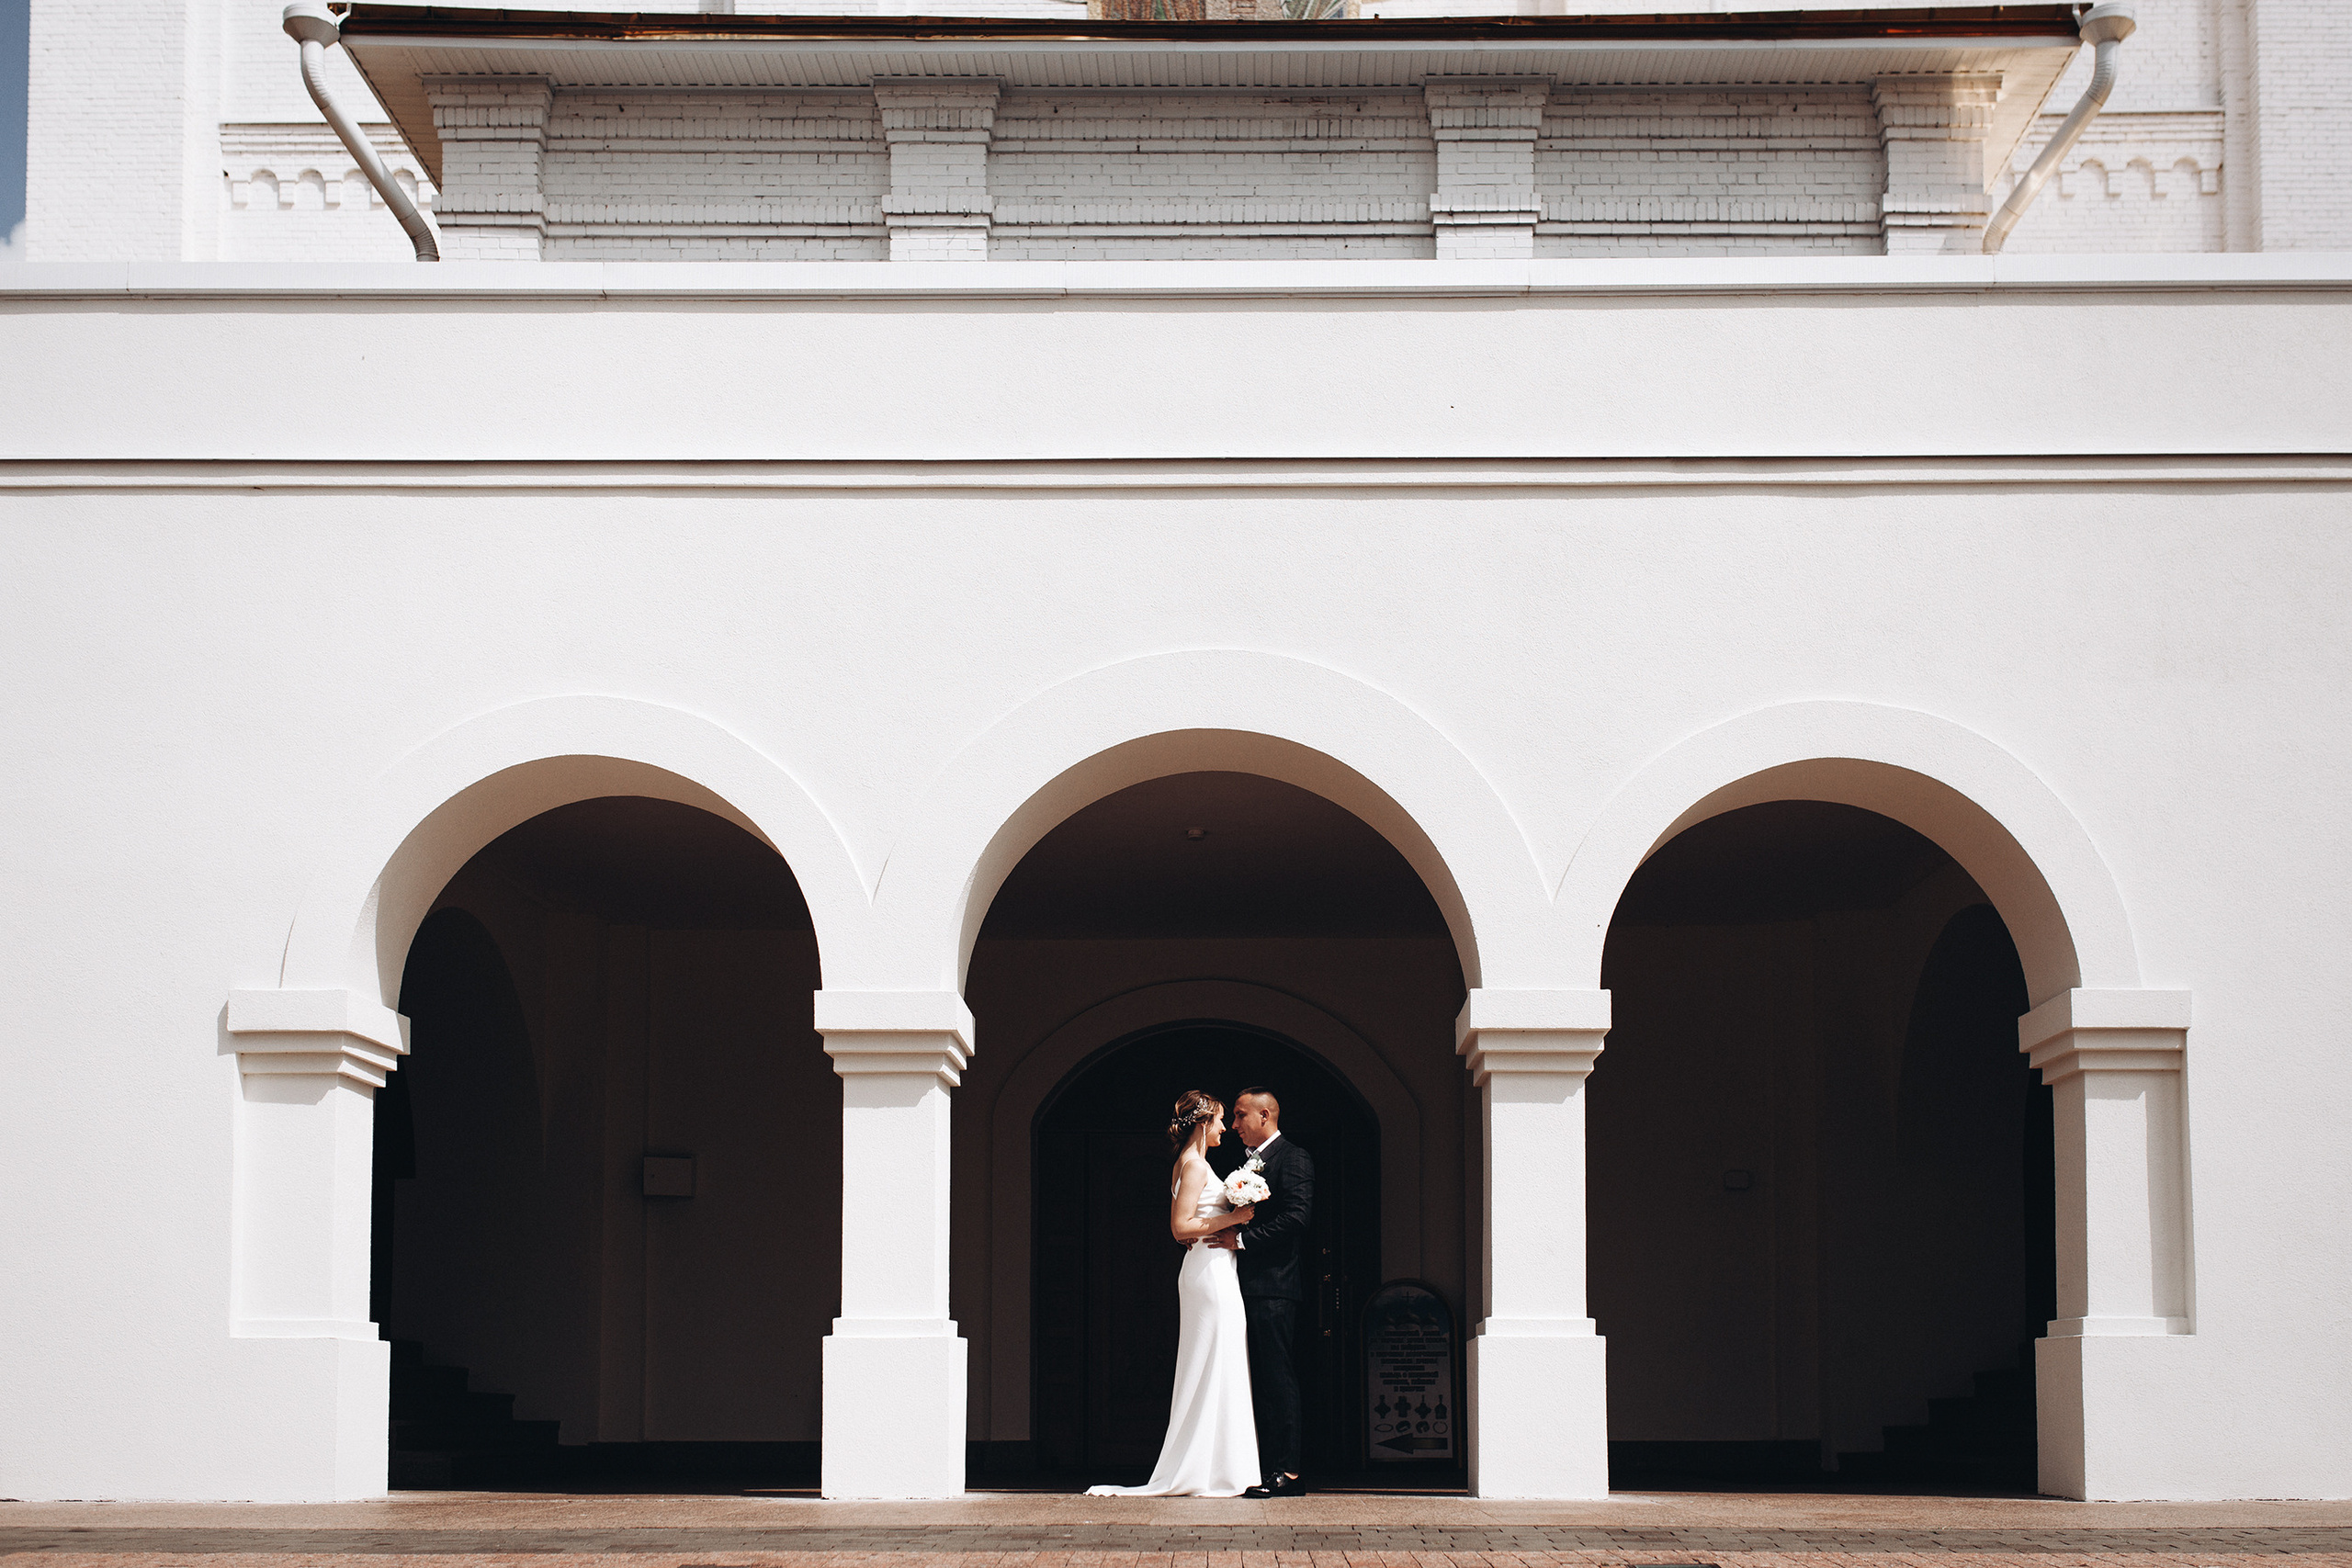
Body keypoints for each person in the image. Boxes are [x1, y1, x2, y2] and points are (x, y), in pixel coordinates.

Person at [1084, 1089, 1261, 1497]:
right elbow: (1180, 1228)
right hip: (1208, 1272)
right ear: (1202, 1123)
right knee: (1210, 1361)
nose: (1224, 1128)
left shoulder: (1193, 1163)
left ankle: (1222, 1466)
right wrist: (1233, 1218)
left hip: (1216, 1267)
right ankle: (1207, 1468)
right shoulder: (1195, 1165)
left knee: (1221, 1361)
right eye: (1219, 1120)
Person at [1204, 1086, 1315, 1498]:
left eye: (1240, 1116)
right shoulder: (1245, 1163)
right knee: (1251, 1377)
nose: (1234, 1126)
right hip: (1242, 1285)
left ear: (1265, 1116)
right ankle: (1255, 1465)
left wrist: (1243, 1240)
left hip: (1274, 1286)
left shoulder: (1293, 1157)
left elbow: (1297, 1217)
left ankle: (1287, 1472)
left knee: (1275, 1377)